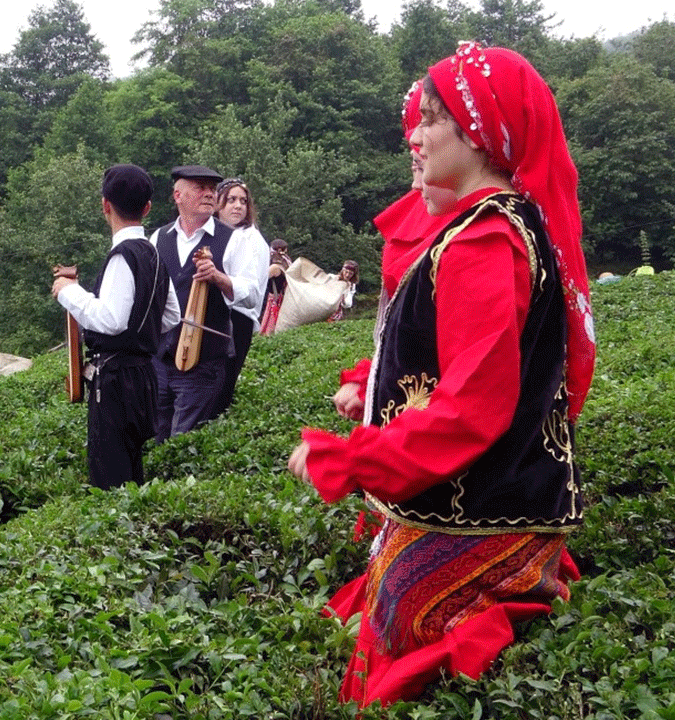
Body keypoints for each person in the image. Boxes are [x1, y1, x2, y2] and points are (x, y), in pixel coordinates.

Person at [287, 44, 595, 706]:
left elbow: (472, 408)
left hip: (487, 503)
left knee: (402, 615)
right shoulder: (498, 222)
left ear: (479, 132)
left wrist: (351, 458)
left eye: (431, 120)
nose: (415, 137)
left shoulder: (485, 239)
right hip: (491, 492)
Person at [52, 164, 180, 490]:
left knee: (110, 478)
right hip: (143, 376)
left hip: (116, 382)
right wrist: (141, 332)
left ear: (105, 205)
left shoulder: (123, 255)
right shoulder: (153, 252)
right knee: (131, 474)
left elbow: (112, 320)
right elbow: (171, 316)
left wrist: (69, 293)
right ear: (147, 207)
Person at [150, 165, 264, 441]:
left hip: (204, 363)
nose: (209, 194)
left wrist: (219, 278)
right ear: (178, 195)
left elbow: (252, 293)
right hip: (160, 361)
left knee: (184, 441)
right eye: (200, 188)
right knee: (155, 438)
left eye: (212, 189)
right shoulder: (158, 238)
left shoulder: (234, 239)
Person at [213, 177, 268, 415]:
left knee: (221, 387)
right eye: (231, 200)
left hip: (237, 319)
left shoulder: (249, 238)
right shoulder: (220, 235)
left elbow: (249, 292)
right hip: (221, 317)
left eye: (243, 201)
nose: (238, 206)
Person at [257, 238, 291, 336]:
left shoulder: (275, 268)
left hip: (274, 301)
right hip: (283, 300)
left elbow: (260, 279)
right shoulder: (286, 265)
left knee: (269, 330)